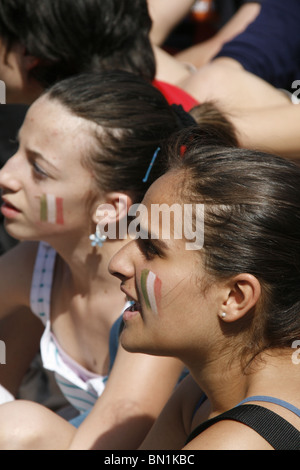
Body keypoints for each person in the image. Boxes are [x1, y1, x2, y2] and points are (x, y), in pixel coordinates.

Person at [0, 70, 239, 450]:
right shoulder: (41, 263)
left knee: (18, 428)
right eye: (16, 148)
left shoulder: (155, 288)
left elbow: (118, 426)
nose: (6, 175)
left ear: (111, 208)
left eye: (39, 170)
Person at [107, 129, 300, 450]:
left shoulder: (240, 442)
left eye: (151, 248)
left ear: (235, 297)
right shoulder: (206, 392)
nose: (118, 263)